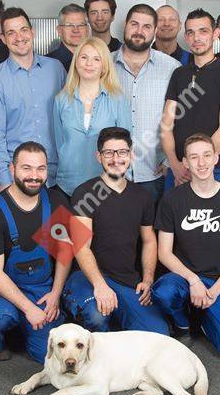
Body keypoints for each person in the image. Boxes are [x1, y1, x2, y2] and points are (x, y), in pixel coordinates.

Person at [153, 134, 220, 361]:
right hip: (183, 278)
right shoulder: (172, 199)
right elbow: (164, 253)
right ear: (185, 162)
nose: (201, 163)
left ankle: (204, 319)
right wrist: (193, 280)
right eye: (194, 157)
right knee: (164, 292)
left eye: (207, 155)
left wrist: (215, 290)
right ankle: (183, 323)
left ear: (216, 158)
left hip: (219, 281)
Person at [64, 127, 168, 334]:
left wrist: (147, 279)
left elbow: (149, 240)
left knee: (158, 332)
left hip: (126, 279)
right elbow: (81, 247)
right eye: (108, 153)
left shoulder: (142, 196)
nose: (116, 159)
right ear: (98, 156)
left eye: (122, 152)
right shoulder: (84, 193)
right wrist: (99, 285)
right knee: (96, 316)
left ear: (131, 154)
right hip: (88, 277)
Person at [0, 142, 69, 362]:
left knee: (48, 356)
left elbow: (65, 252)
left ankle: (24, 329)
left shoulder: (56, 202)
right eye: (26, 168)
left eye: (40, 169)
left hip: (39, 287)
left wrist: (55, 294)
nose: (34, 176)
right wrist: (29, 309)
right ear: (12, 168)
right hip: (0, 287)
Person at [161, 8, 220, 191]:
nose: (196, 37)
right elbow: (166, 126)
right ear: (186, 37)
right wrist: (175, 165)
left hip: (214, 169)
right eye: (191, 32)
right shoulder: (178, 74)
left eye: (203, 31)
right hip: (179, 170)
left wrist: (199, 165)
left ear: (215, 34)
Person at [0, 7, 67, 192]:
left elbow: (69, 119)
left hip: (57, 174)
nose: (19, 37)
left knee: (58, 214)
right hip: (18, 177)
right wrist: (4, 179)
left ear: (32, 32)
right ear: (3, 39)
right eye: (11, 33)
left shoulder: (56, 69)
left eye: (23, 30)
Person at [112, 4, 180, 204]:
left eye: (147, 26)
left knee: (153, 225)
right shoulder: (104, 64)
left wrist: (169, 160)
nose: (139, 31)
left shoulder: (172, 68)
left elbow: (182, 117)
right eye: (134, 24)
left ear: (155, 31)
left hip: (154, 173)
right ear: (125, 25)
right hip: (111, 171)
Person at [53, 37, 132, 197]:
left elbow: (125, 147)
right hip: (67, 185)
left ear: (104, 66)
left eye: (96, 59)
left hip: (106, 186)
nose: (89, 63)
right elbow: (59, 143)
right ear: (76, 62)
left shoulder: (118, 99)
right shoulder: (61, 99)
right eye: (84, 57)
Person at [46, 4, 89, 72]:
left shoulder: (98, 61)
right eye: (69, 25)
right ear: (59, 30)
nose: (76, 30)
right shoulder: (46, 64)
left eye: (80, 25)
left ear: (87, 29)